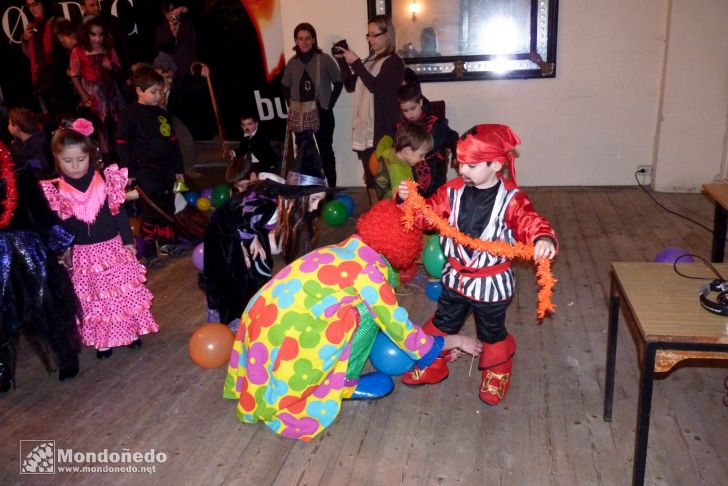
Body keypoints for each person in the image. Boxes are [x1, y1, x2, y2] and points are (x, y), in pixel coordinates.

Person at [223, 198, 481, 441]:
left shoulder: (345, 248)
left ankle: (263, 381)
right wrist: (452, 341)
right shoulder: (370, 274)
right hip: (291, 335)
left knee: (356, 308)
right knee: (367, 314)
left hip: (259, 318)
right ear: (405, 246)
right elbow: (400, 329)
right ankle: (346, 383)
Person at [395, 124, 558, 406]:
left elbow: (530, 221)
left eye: (471, 165)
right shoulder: (451, 191)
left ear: (496, 164)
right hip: (455, 278)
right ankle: (434, 363)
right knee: (444, 321)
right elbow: (425, 218)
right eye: (460, 163)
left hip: (491, 285)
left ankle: (497, 371)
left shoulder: (512, 200)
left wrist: (543, 238)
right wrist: (406, 201)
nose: (462, 170)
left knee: (491, 331)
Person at [41, 122, 159, 359]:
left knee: (120, 291)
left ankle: (130, 331)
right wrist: (62, 250)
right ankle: (103, 339)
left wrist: (127, 239)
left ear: (90, 156)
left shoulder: (104, 181)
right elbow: (58, 226)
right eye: (68, 160)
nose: (75, 166)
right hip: (83, 254)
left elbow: (119, 212)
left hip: (112, 247)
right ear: (56, 158)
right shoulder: (55, 190)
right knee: (94, 297)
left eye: (80, 159)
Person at [201, 151, 329, 329]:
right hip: (225, 228)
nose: (315, 207)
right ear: (300, 195)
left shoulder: (290, 205)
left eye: (319, 202)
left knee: (260, 270)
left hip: (250, 228)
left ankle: (254, 313)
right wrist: (247, 238)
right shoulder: (270, 200)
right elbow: (243, 213)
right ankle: (234, 320)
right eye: (314, 199)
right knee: (234, 273)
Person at [0, 141, 81, 393]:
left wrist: (60, 243)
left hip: (26, 250)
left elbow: (42, 211)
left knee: (46, 305)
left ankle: (65, 354)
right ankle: (1, 370)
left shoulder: (20, 171)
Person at [116, 64, 185, 266]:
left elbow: (173, 145)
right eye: (153, 92)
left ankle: (166, 241)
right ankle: (150, 250)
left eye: (160, 92)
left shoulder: (162, 114)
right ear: (139, 91)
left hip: (167, 169)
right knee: (149, 208)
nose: (158, 96)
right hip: (144, 169)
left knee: (167, 204)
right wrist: (127, 170)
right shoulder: (129, 114)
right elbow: (122, 143)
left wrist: (179, 170)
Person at [336, 15, 404, 201]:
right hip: (365, 128)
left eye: (374, 35)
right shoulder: (370, 61)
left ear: (387, 35)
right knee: (371, 177)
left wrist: (356, 63)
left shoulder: (394, 63)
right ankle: (376, 216)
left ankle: (388, 218)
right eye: (368, 35)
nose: (369, 39)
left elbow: (376, 87)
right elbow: (351, 85)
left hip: (382, 129)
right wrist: (343, 61)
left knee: (384, 178)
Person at [281, 22, 342, 188]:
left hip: (323, 114)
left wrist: (329, 104)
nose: (304, 42)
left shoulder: (325, 60)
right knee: (303, 155)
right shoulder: (292, 63)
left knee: (326, 152)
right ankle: (307, 190)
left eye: (308, 38)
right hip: (300, 116)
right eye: (300, 38)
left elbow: (338, 82)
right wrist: (290, 103)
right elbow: (284, 85)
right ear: (296, 41)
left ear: (314, 39)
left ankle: (331, 188)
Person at [69, 17, 124, 156]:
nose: (98, 39)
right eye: (93, 34)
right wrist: (84, 96)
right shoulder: (78, 50)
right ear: (86, 34)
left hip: (111, 92)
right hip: (93, 94)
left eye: (101, 34)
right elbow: (74, 75)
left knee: (116, 126)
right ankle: (105, 162)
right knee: (100, 128)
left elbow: (120, 69)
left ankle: (119, 161)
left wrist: (111, 66)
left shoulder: (109, 48)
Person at [395, 84, 455, 198]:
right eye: (405, 111)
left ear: (421, 103)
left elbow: (452, 136)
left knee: (436, 200)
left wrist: (456, 155)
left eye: (413, 108)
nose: (410, 114)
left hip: (435, 169)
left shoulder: (435, 123)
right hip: (412, 170)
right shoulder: (401, 127)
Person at [372, 122, 432, 200]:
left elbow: (381, 146)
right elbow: (398, 197)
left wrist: (387, 139)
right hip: (394, 206)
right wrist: (401, 197)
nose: (423, 158)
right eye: (421, 155)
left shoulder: (388, 152)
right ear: (407, 151)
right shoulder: (399, 173)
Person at [7, 107, 53, 179]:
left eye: (9, 123)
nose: (8, 126)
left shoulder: (39, 146)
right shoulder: (17, 145)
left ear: (16, 127)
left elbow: (44, 173)